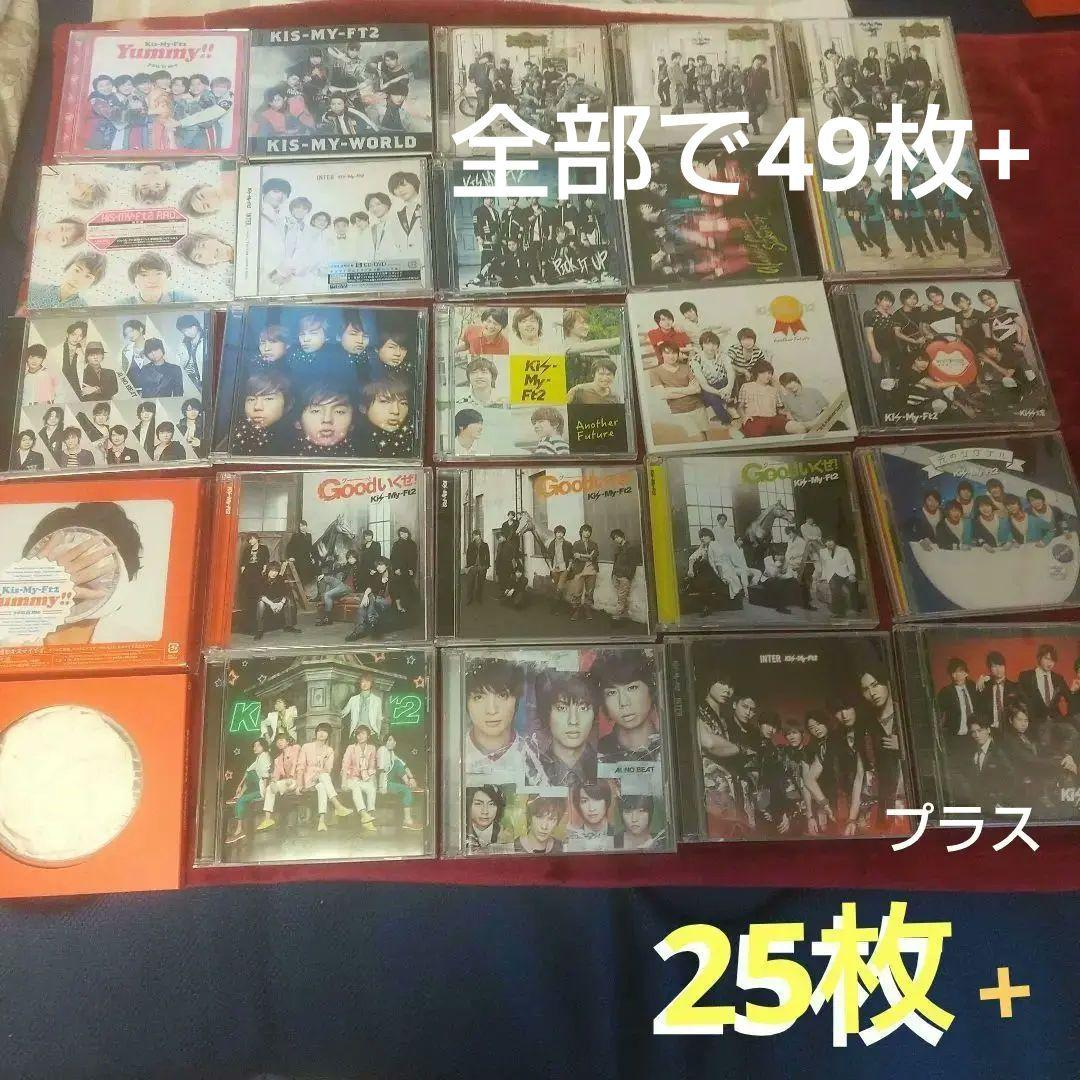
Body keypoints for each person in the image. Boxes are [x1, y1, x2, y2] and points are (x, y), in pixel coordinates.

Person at [463, 656, 544, 785]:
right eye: (478, 697)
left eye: (502, 695)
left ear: (517, 699)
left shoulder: (535, 759)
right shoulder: (455, 754)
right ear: (466, 702)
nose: (492, 710)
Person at [594, 650, 661, 763]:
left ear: (651, 689)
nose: (624, 702)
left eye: (632, 688)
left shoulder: (670, 744)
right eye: (612, 692)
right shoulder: (597, 753)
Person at [533, 669, 597, 787]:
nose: (573, 721)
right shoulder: (531, 770)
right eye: (562, 708)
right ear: (547, 713)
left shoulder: (607, 766)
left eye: (583, 708)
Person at [293, 722, 355, 832]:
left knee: (322, 785)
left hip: (322, 778)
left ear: (328, 735)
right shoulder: (306, 747)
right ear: (316, 733)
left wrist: (319, 774)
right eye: (319, 731)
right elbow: (300, 767)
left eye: (325, 731)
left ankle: (321, 821)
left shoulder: (329, 750)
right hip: (309, 779)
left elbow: (328, 769)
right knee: (324, 777)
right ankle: (337, 805)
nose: (321, 733)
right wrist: (299, 785)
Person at [225, 738, 272, 845]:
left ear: (263, 747)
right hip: (259, 786)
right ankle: (238, 796)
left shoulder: (265, 757)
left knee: (241, 800)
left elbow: (266, 775)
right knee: (250, 774)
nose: (255, 748)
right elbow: (248, 771)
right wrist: (239, 785)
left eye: (258, 746)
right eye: (254, 746)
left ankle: (239, 830)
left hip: (264, 789)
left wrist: (264, 793)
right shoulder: (259, 757)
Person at [963, 716, 1017, 807]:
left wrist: (1001, 801)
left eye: (980, 731)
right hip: (980, 805)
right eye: (973, 732)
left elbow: (1012, 777)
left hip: (998, 805)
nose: (977, 735)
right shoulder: (971, 753)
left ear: (988, 730)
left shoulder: (999, 751)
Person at [255, 732, 301, 831]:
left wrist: (291, 776)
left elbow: (295, 763)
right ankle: (268, 819)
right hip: (287, 782)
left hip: (297, 780)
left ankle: (275, 819)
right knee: (270, 788)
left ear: (287, 741)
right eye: (277, 741)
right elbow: (275, 775)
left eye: (282, 740)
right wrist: (273, 783)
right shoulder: (278, 759)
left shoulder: (295, 748)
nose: (279, 742)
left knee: (281, 786)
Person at [378, 734, 423, 831]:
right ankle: (407, 820)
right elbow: (381, 769)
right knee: (406, 790)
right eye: (388, 740)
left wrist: (411, 778)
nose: (390, 742)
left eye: (392, 740)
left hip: (390, 781)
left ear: (395, 743)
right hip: (383, 783)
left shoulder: (392, 753)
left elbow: (403, 765)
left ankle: (409, 784)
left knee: (398, 763)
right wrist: (382, 787)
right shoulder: (382, 750)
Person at [935, 657, 980, 753]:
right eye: (953, 672)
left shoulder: (972, 686)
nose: (955, 675)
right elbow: (939, 713)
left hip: (973, 736)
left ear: (966, 673)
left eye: (959, 671)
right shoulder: (946, 692)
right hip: (956, 737)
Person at [340, 724, 378, 832]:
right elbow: (345, 766)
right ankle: (363, 814)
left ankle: (369, 819)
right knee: (356, 787)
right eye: (358, 734)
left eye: (363, 734)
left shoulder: (371, 748)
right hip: (350, 778)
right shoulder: (351, 748)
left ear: (368, 736)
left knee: (371, 788)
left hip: (363, 779)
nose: (360, 736)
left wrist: (373, 781)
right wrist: (343, 783)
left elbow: (371, 767)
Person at [1020, 644, 1070, 727]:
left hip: (1056, 723)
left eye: (1053, 660)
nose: (1050, 663)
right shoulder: (1026, 677)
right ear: (1039, 658)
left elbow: (1070, 698)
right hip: (1035, 724)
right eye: (1047, 658)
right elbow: (1020, 701)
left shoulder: (1058, 679)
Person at [253, 561, 301, 641]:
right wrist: (272, 605)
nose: (274, 573)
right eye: (272, 571)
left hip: (277, 600)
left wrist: (281, 603)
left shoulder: (280, 578)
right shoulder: (262, 579)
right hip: (267, 601)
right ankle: (260, 630)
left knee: (288, 600)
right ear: (268, 570)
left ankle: (289, 626)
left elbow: (285, 593)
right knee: (260, 603)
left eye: (276, 571)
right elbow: (261, 595)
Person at [975, 650, 1019, 731]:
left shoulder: (1014, 687)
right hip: (990, 729)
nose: (998, 669)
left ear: (1004, 667)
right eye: (994, 666)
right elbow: (979, 711)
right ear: (990, 669)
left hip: (1010, 729)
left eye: (1001, 665)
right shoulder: (984, 687)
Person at [565, 782, 615, 849]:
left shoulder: (618, 834)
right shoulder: (572, 839)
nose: (591, 808)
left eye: (597, 800)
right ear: (578, 805)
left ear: (607, 801)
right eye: (584, 801)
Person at [565, 524, 599, 621]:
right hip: (579, 570)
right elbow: (575, 556)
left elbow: (594, 556)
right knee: (577, 592)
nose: (587, 533)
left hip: (592, 570)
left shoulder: (594, 544)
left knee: (589, 593)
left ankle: (587, 610)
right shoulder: (576, 544)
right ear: (581, 532)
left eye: (589, 531)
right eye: (585, 531)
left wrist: (581, 555)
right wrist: (588, 556)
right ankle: (576, 611)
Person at [818, 538, 858, 615]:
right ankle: (838, 611)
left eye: (831, 541)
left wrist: (852, 574)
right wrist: (823, 577)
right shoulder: (822, 552)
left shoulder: (844, 550)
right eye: (827, 541)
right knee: (834, 588)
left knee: (852, 584)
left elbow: (850, 563)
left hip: (844, 574)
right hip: (831, 575)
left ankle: (852, 608)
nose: (829, 543)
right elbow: (824, 566)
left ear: (834, 541)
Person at [609, 529, 641, 625]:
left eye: (617, 537)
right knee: (622, 597)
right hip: (617, 575)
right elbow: (616, 562)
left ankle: (617, 617)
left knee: (621, 597)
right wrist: (613, 574)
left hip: (624, 576)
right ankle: (625, 616)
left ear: (622, 536)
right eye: (614, 538)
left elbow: (633, 564)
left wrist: (628, 576)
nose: (616, 539)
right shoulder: (618, 549)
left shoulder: (630, 548)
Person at [465, 785, 506, 852]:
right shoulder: (459, 834)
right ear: (468, 806)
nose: (485, 811)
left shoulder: (506, 834)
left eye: (491, 804)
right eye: (478, 804)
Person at [464, 528, 490, 605]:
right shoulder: (471, 545)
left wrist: (487, 565)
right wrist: (468, 565)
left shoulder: (485, 545)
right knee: (470, 583)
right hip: (473, 566)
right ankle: (469, 599)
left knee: (480, 583)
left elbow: (487, 556)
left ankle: (479, 598)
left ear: (479, 536)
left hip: (482, 566)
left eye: (475, 535)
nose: (474, 537)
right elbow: (468, 555)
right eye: (474, 535)